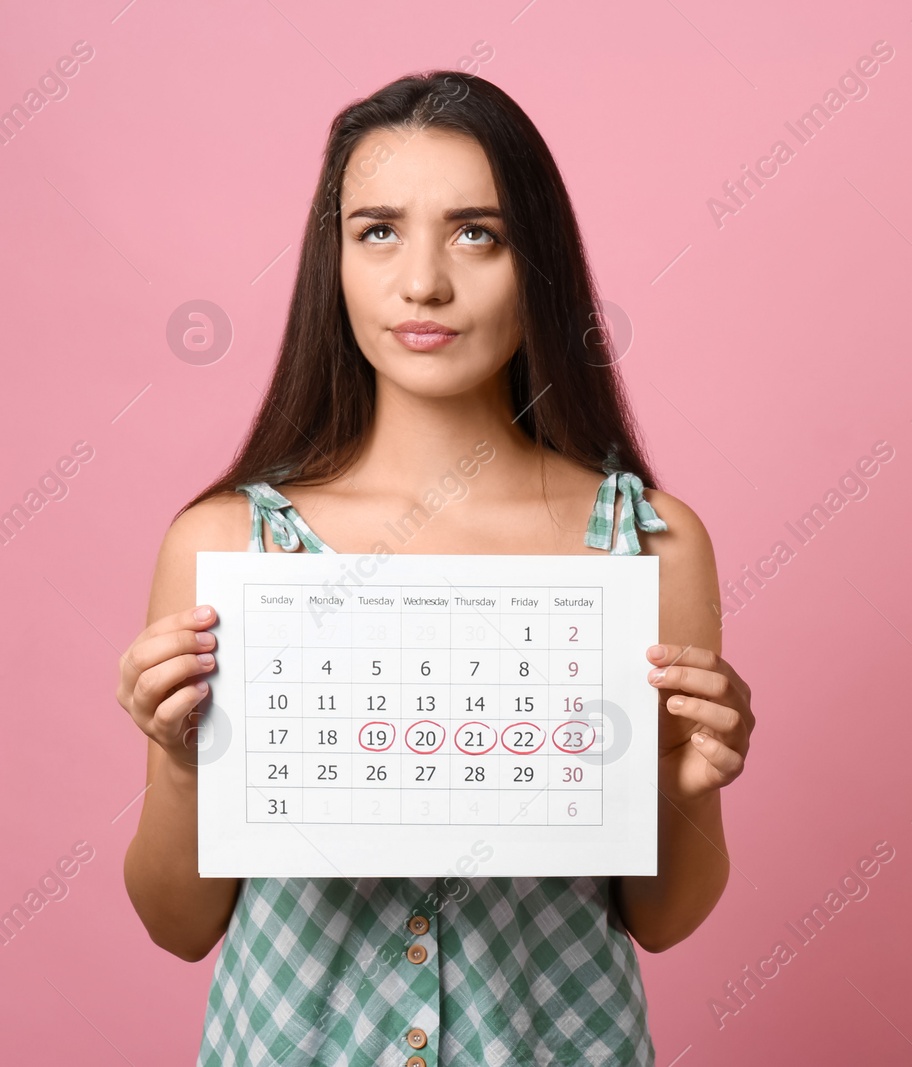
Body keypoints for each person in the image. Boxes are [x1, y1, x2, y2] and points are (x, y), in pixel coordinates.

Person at [115, 70, 754, 1066]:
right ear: (334, 263)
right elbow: (179, 923)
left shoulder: (648, 542)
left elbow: (663, 917)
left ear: (535, 260)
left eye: (475, 233)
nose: (423, 282)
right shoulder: (226, 542)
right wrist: (180, 759)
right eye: (377, 230)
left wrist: (684, 783)